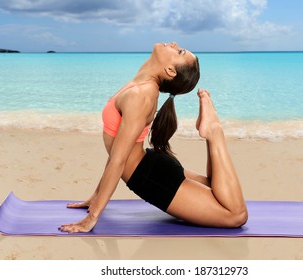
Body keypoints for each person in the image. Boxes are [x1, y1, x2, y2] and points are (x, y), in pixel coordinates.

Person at [59, 42, 248, 233]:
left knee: (236, 215)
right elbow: (118, 151)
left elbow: (119, 160)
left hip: (150, 178)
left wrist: (92, 217)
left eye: (179, 51)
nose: (174, 44)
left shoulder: (140, 94)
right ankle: (211, 130)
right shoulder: (139, 87)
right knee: (216, 189)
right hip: (151, 167)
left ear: (170, 70)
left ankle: (214, 132)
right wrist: (96, 197)